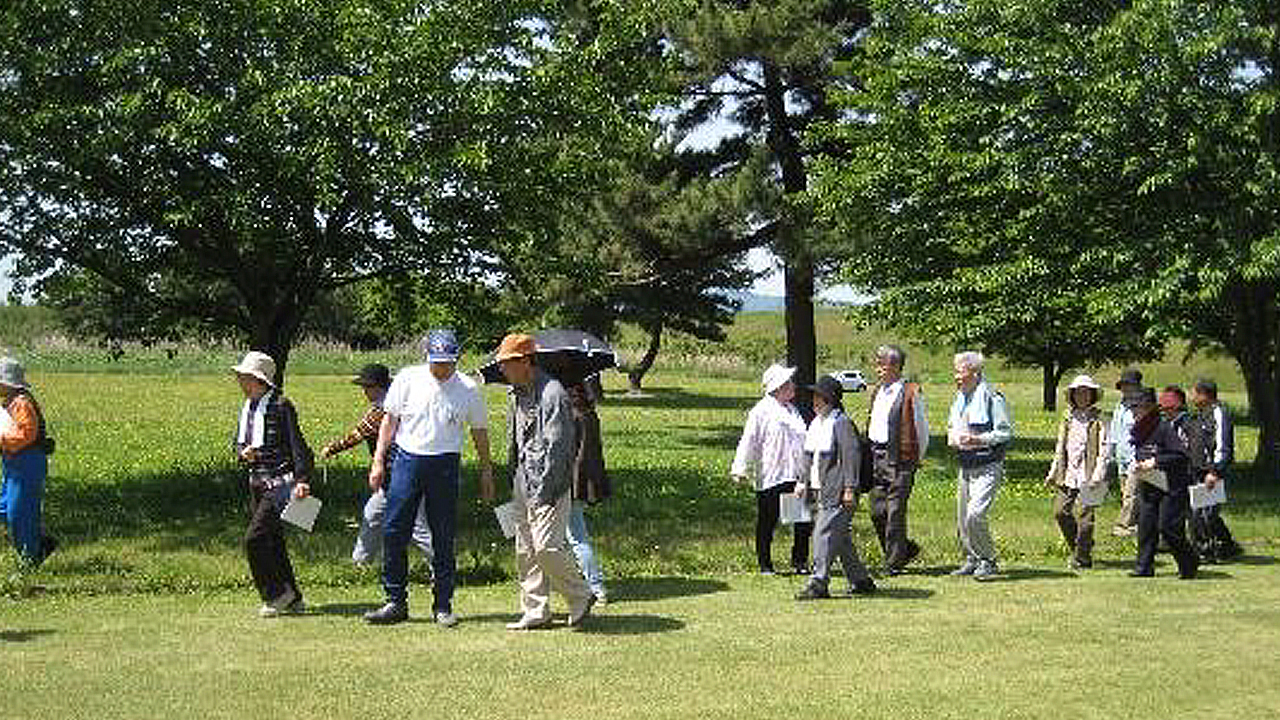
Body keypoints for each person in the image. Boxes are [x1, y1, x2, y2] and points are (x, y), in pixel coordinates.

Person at [363, 330, 494, 627]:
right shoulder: (408, 379)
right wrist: (378, 460)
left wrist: (486, 470)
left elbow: (479, 432)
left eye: (447, 363)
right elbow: (390, 420)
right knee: (395, 530)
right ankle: (395, 601)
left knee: (443, 536)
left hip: (445, 464)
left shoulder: (469, 388)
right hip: (407, 461)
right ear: (427, 358)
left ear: (456, 360)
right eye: (437, 363)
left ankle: (443, 605)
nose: (442, 369)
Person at [496, 333, 596, 630]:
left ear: (526, 361)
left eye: (508, 363)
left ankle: (581, 595)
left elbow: (559, 448)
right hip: (522, 479)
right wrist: (513, 475)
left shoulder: (553, 393)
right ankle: (536, 610)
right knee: (525, 550)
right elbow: (516, 441)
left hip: (548, 483)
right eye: (501, 363)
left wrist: (547, 491)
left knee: (545, 547)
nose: (502, 369)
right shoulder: (515, 393)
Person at [319, 363, 433, 567]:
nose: (364, 391)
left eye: (367, 387)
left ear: (380, 387)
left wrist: (331, 449)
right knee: (372, 516)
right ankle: (360, 565)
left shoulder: (383, 410)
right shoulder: (393, 404)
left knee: (418, 527)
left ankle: (443, 566)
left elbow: (357, 434)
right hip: (390, 479)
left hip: (404, 476)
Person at [231, 351, 313, 617]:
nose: (240, 382)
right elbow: (238, 441)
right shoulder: (248, 406)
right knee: (272, 542)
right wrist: (242, 452)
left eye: (244, 377)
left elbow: (298, 445)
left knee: (254, 540)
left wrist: (302, 480)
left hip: (279, 486)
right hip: (256, 483)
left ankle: (276, 594)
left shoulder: (281, 405)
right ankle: (293, 598)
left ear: (258, 379)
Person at [793, 375, 876, 600]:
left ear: (830, 399)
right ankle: (861, 580)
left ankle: (818, 582)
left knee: (823, 534)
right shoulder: (817, 423)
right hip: (819, 490)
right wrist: (802, 481)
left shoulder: (841, 423)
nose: (814, 400)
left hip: (838, 491)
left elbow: (851, 457)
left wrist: (850, 488)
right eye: (814, 396)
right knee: (840, 538)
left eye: (818, 396)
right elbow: (808, 457)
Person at [731, 363, 811, 575]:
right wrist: (740, 468)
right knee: (768, 520)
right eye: (788, 383)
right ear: (778, 387)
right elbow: (748, 441)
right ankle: (765, 564)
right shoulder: (761, 411)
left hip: (794, 473)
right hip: (771, 474)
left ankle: (800, 561)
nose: (793, 386)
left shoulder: (793, 410)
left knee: (800, 520)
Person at [947, 351, 1013, 581]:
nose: (956, 376)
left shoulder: (992, 397)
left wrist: (978, 440)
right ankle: (972, 558)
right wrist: (953, 436)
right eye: (955, 371)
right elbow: (953, 425)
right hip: (966, 464)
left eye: (959, 371)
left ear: (975, 373)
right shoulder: (960, 398)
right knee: (963, 516)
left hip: (988, 465)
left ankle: (989, 560)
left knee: (975, 514)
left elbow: (1004, 433)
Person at [864, 345, 929, 575]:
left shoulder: (911, 392)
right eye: (878, 363)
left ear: (895, 366)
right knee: (877, 511)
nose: (878, 368)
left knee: (895, 511)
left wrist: (917, 458)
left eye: (882, 363)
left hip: (901, 459)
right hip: (876, 456)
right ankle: (905, 550)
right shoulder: (877, 391)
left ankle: (893, 563)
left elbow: (921, 428)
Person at [1130, 387, 1198, 579]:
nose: (1135, 411)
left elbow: (1181, 456)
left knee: (1168, 528)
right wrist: (1138, 465)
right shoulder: (1138, 430)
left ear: (1151, 408)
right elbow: (1142, 452)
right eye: (1133, 407)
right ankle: (1144, 568)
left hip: (1171, 485)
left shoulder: (1163, 428)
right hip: (1150, 482)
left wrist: (1156, 461)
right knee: (1146, 526)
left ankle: (1189, 563)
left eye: (1139, 407)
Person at [1044, 375, 1111, 570]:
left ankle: (1082, 557)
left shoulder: (1101, 418)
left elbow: (1105, 450)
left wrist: (1098, 476)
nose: (1082, 396)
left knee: (1086, 520)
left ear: (1092, 395)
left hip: (1091, 475)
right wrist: (1053, 472)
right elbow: (1060, 447)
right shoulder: (1067, 418)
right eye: (1078, 392)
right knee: (1060, 512)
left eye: (1086, 392)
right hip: (1069, 474)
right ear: (1072, 395)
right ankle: (1081, 548)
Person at [0, 356, 57, 567]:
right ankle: (39, 542)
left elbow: (27, 435)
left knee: (19, 512)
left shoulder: (21, 403)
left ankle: (31, 558)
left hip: (28, 462)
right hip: (14, 463)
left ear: (6, 383)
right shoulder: (10, 402)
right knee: (5, 508)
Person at [1189, 379, 1243, 562]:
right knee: (1200, 511)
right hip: (1198, 470)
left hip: (1211, 471)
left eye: (1194, 392)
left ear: (1204, 394)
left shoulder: (1218, 413)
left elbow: (1222, 444)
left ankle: (1215, 548)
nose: (1192, 396)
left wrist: (1215, 471)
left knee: (1208, 513)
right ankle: (1219, 546)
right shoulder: (1201, 414)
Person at [566, 378, 609, 604]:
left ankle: (595, 586)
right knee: (573, 535)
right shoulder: (589, 414)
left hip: (567, 483)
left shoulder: (572, 417)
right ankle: (585, 583)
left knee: (575, 536)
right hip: (581, 481)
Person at [1109, 368, 1144, 536]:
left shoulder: (1143, 407)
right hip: (1121, 455)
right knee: (1126, 493)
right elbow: (1115, 431)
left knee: (1132, 493)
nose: (1125, 388)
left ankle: (1122, 526)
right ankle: (1135, 525)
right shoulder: (1120, 406)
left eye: (1129, 385)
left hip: (1136, 457)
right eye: (1123, 385)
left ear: (1137, 386)